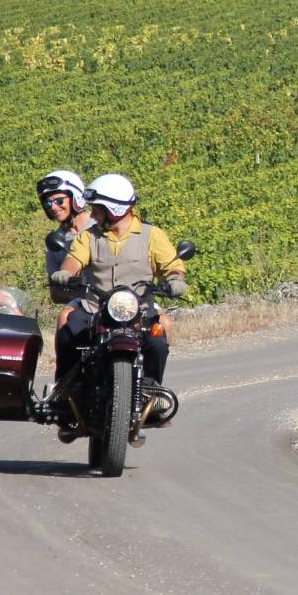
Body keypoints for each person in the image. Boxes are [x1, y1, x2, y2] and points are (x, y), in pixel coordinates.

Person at [48, 173, 186, 421]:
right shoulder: (88, 236)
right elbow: (74, 260)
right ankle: (66, 390)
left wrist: (175, 279)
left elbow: (171, 264)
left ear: (115, 209)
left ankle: (149, 393)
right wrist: (65, 273)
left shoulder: (151, 235)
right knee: (69, 328)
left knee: (157, 341)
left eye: (98, 209)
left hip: (139, 308)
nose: (94, 214)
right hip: (96, 307)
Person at [36, 169, 92, 308]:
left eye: (59, 200)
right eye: (48, 203)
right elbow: (55, 294)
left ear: (76, 198)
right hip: (85, 307)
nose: (53, 207)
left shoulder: (100, 226)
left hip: (120, 301)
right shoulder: (55, 241)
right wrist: (81, 295)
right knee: (65, 319)